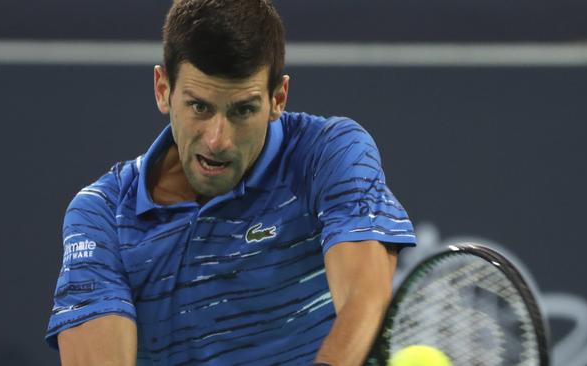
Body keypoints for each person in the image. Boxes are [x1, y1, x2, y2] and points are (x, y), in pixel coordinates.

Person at [45, 0, 416, 365]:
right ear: (163, 90)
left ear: (278, 98)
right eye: (199, 107)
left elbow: (363, 296)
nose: (217, 140)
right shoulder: (102, 215)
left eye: (243, 110)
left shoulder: (327, 153)